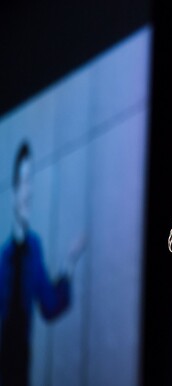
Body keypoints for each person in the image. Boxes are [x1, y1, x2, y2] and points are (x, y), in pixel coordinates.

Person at [0, 141, 86, 386]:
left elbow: (49, 305)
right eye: (23, 182)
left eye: (31, 182)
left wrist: (68, 264)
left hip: (20, 370)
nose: (28, 192)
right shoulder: (3, 257)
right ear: (14, 191)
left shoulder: (34, 248)